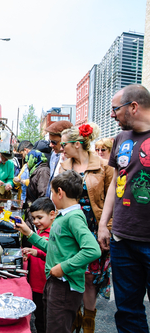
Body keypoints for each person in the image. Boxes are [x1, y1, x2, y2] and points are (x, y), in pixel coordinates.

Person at [14, 170, 101, 333]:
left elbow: (93, 250)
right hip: (55, 283)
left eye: (52, 192)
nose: (51, 196)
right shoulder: (64, 216)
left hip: (64, 286)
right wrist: (29, 234)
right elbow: (54, 248)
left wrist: (64, 268)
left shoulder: (73, 217)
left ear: (59, 193)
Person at [98, 84, 150, 333]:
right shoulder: (120, 139)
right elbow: (115, 184)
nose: (112, 115)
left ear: (134, 107)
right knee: (128, 311)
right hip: (122, 239)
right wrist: (103, 224)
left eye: (115, 109)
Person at [58, 122, 114, 333]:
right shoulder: (64, 166)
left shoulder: (104, 166)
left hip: (93, 228)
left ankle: (89, 323)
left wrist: (106, 228)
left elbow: (111, 199)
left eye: (65, 145)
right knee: (73, 273)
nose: (62, 149)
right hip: (71, 228)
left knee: (90, 278)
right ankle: (75, 316)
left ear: (78, 144)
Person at [21, 197, 56, 333]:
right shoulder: (40, 231)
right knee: (39, 317)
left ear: (52, 215)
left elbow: (52, 253)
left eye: (39, 218)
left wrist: (36, 253)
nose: (35, 222)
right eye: (34, 218)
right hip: (36, 284)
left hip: (44, 284)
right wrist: (30, 253)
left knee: (44, 319)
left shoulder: (53, 233)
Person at [22, 150, 50, 233]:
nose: (26, 164)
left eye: (27, 161)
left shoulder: (43, 171)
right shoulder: (37, 170)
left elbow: (43, 193)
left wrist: (37, 213)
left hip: (36, 212)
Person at [44, 120, 73, 197]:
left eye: (54, 142)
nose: (50, 145)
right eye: (50, 141)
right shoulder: (54, 155)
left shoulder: (76, 160)